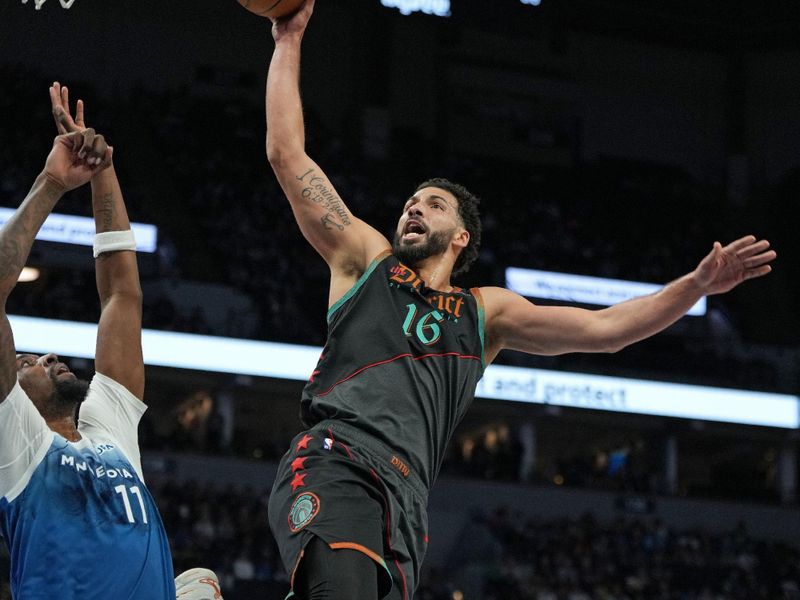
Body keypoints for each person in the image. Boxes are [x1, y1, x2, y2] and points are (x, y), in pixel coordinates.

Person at [263, 4, 777, 599]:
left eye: (431, 204)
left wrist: (694, 286)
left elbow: (606, 329)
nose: (412, 207)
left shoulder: (487, 313)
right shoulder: (364, 261)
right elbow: (287, 155)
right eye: (410, 200)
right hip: (339, 458)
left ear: (461, 237)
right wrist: (289, 37)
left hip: (407, 501)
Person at [0, 83, 221, 600]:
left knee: (199, 583)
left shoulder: (109, 430)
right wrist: (52, 183)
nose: (49, 357)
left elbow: (122, 295)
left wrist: (104, 174)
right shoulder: (17, 444)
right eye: (29, 360)